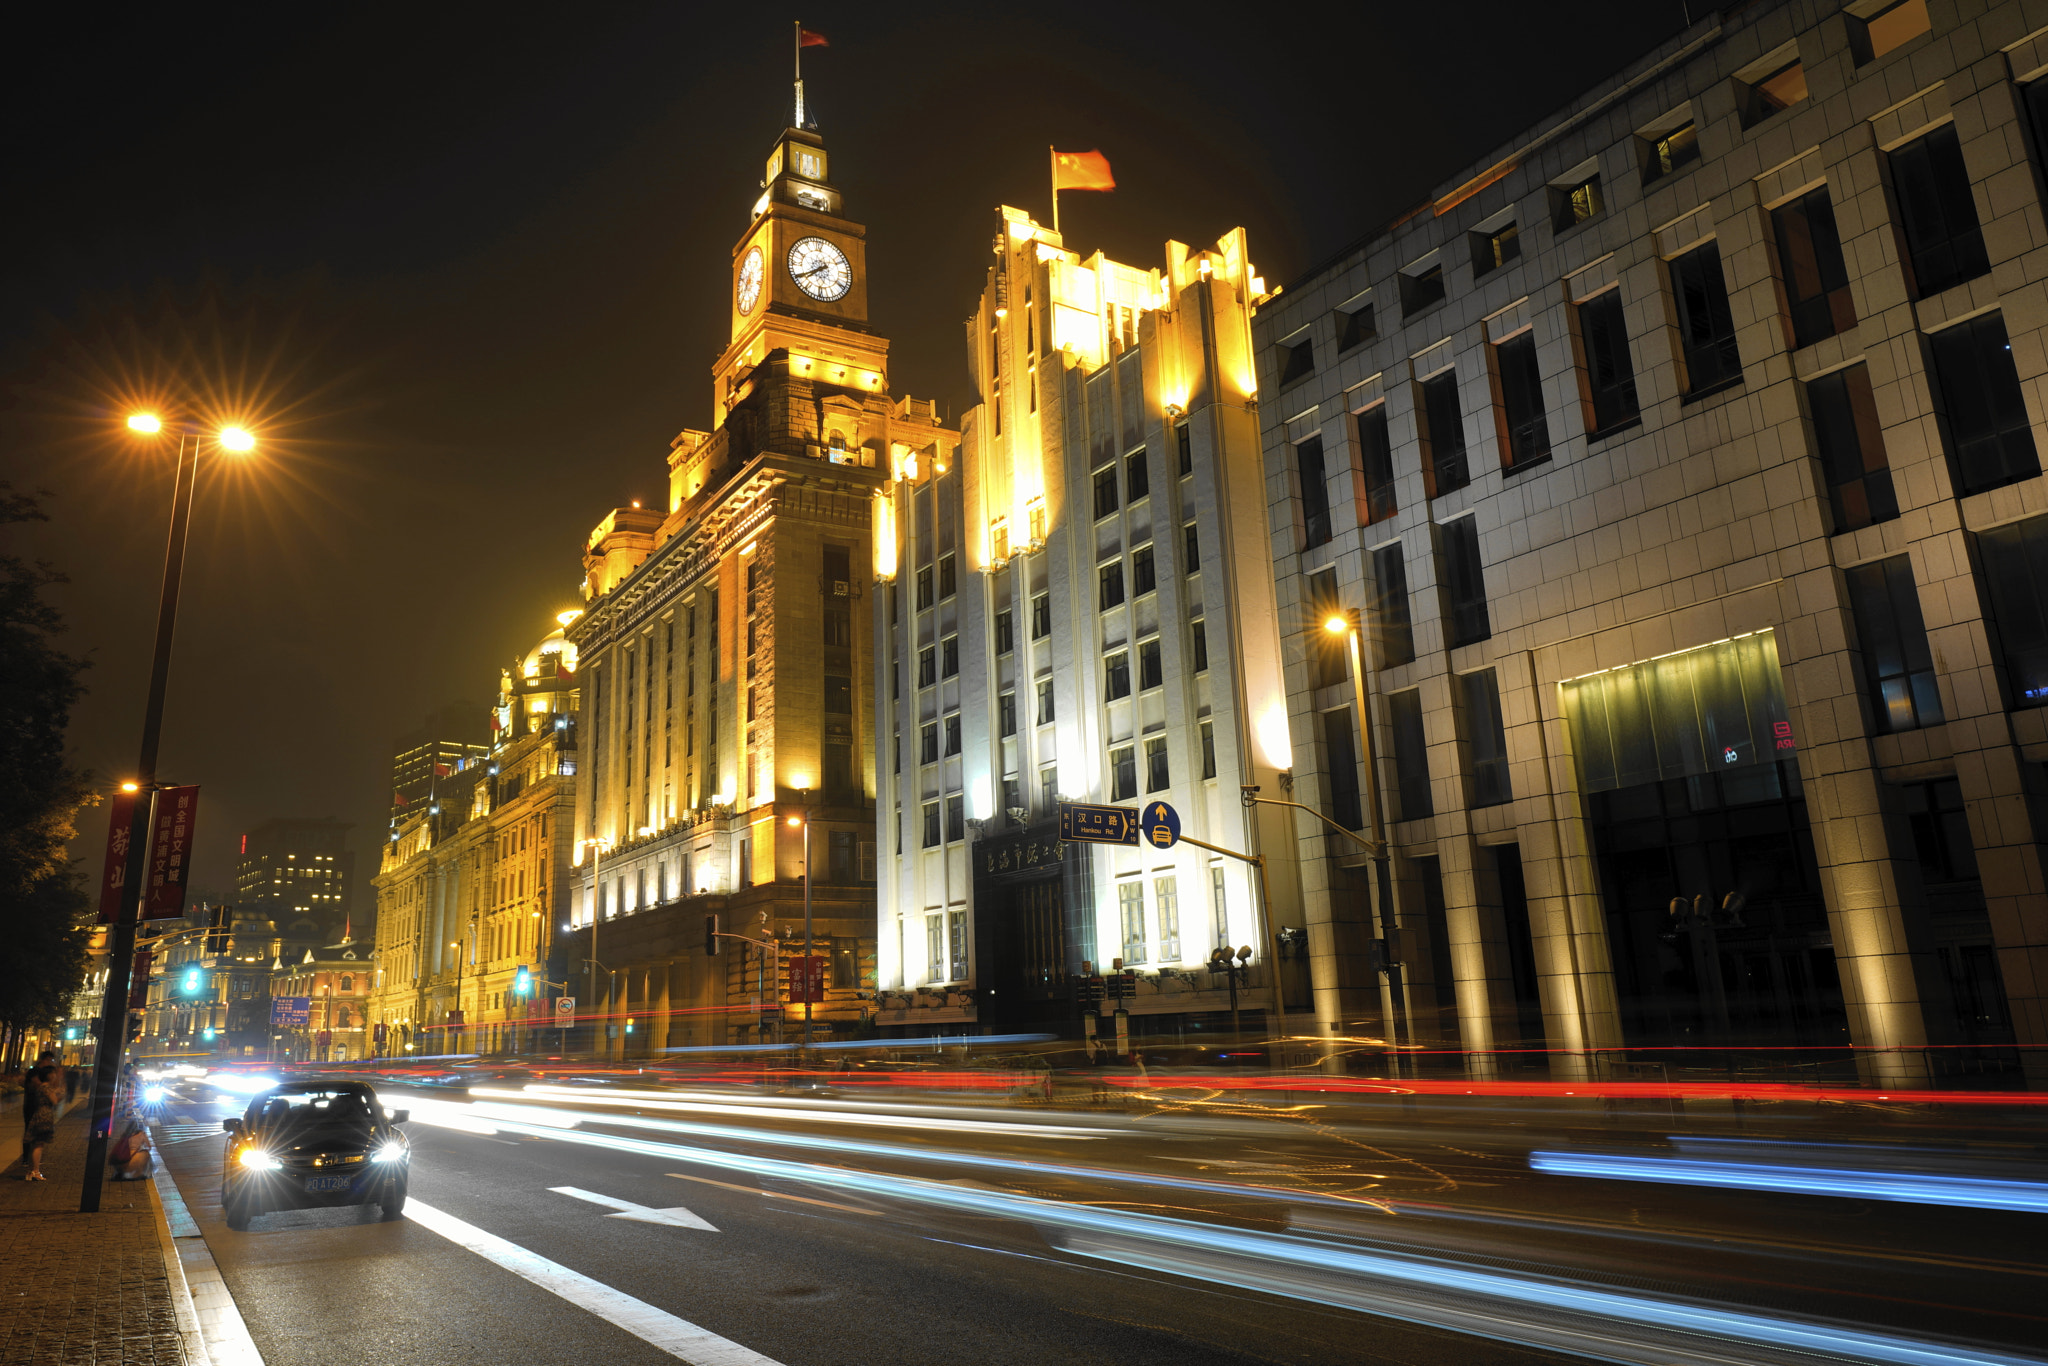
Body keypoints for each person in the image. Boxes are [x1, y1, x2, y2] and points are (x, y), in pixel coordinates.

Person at [19, 1056, 60, 1181]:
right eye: (53, 1073)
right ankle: (36, 1171)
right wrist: (58, 1092)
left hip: (39, 1115)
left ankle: (31, 1172)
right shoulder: (46, 1087)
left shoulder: (41, 1087)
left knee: (35, 1144)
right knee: (38, 1145)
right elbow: (54, 1101)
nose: (55, 1075)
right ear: (48, 1075)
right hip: (44, 1116)